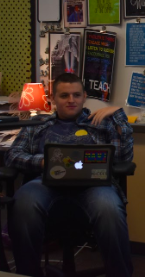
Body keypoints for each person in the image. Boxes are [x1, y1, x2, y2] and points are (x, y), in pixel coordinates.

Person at [5, 73, 134, 276]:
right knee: (24, 203)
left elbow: (122, 158)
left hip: (94, 184)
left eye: (76, 95)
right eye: (64, 96)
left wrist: (118, 116)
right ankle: (26, 273)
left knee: (109, 208)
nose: (71, 100)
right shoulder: (38, 125)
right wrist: (42, 161)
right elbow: (13, 156)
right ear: (53, 99)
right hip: (45, 182)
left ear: (84, 96)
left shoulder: (100, 123)